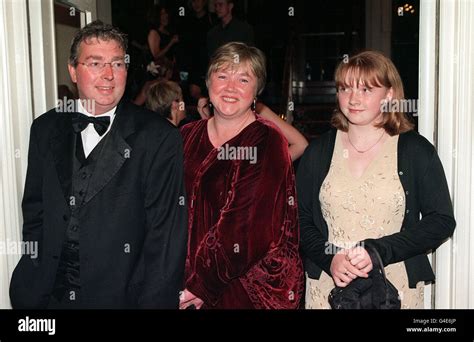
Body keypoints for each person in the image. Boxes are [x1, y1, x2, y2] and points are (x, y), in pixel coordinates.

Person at [9, 20, 188, 309]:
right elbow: (34, 213)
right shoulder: (44, 128)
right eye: (95, 63)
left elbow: (166, 239)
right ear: (72, 70)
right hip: (45, 297)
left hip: (122, 300)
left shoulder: (159, 138)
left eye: (117, 64)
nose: (108, 75)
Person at [297, 50, 456, 309]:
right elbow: (299, 220)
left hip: (394, 290)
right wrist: (331, 259)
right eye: (345, 88)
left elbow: (441, 221)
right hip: (328, 289)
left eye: (366, 90)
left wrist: (378, 251)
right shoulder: (318, 151)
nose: (353, 99)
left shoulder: (414, 150)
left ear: (390, 94)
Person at [179, 42, 304, 309]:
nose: (230, 87)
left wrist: (200, 285)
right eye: (222, 76)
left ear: (257, 90)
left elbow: (244, 227)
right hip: (187, 284)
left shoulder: (266, 141)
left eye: (243, 79)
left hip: (248, 289)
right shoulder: (186, 136)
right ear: (208, 81)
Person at [197, 97, 308, 161]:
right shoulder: (215, 113)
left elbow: (300, 144)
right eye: (223, 77)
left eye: (243, 79)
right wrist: (206, 121)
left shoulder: (258, 110)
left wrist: (269, 168)